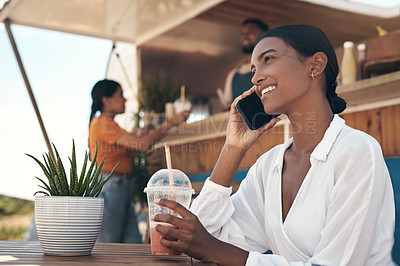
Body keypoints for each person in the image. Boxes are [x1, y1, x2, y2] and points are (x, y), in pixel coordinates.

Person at [151, 25, 396, 265]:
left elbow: (213, 248)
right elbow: (206, 240)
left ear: (315, 65)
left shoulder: (356, 151)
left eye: (269, 59)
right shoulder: (269, 166)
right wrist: (232, 150)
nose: (256, 77)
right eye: (254, 69)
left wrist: (213, 249)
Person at [89, 79, 189, 243]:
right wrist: (170, 122)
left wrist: (141, 133)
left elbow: (130, 146)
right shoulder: (103, 123)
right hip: (111, 187)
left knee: (132, 242)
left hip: (120, 188)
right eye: (120, 95)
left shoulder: (107, 124)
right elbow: (142, 144)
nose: (125, 99)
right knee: (108, 244)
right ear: (106, 100)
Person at [217, 18, 268, 110]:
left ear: (263, 35)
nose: (244, 37)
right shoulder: (233, 74)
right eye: (243, 34)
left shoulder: (271, 68)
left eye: (250, 33)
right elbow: (228, 104)